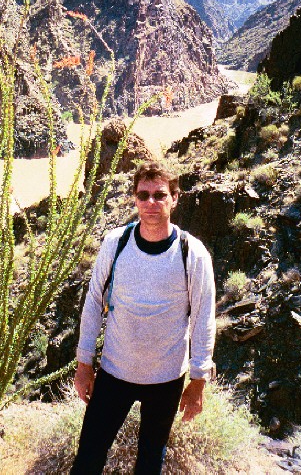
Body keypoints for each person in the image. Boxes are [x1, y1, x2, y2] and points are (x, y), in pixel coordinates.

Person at [70, 161, 216, 474]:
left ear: (175, 199)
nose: (151, 203)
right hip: (114, 372)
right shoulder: (116, 243)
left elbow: (204, 317)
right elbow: (94, 301)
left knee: (150, 462)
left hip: (165, 379)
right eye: (143, 195)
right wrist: (84, 365)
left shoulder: (193, 253)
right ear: (135, 199)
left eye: (160, 195)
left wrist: (198, 380)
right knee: (88, 458)